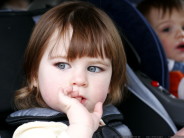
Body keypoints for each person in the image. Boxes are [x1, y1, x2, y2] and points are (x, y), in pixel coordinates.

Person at [9, 1, 131, 137]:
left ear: (111, 82)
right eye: (62, 65)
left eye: (94, 68)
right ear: (34, 76)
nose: (79, 80)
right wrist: (81, 128)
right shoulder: (34, 132)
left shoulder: (114, 126)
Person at [137, 0, 184, 99]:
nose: (181, 34)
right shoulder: (167, 73)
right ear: (150, 40)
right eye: (166, 29)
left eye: (183, 27)